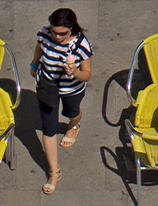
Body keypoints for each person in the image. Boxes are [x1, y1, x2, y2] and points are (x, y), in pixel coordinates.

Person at [32, 7, 92, 193]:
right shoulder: (45, 34)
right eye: (54, 32)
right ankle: (54, 172)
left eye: (62, 33)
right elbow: (39, 47)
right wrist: (34, 65)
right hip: (47, 85)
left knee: (72, 112)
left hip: (71, 88)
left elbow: (87, 75)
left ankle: (73, 125)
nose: (57, 37)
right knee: (48, 128)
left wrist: (74, 72)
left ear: (72, 28)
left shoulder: (81, 46)